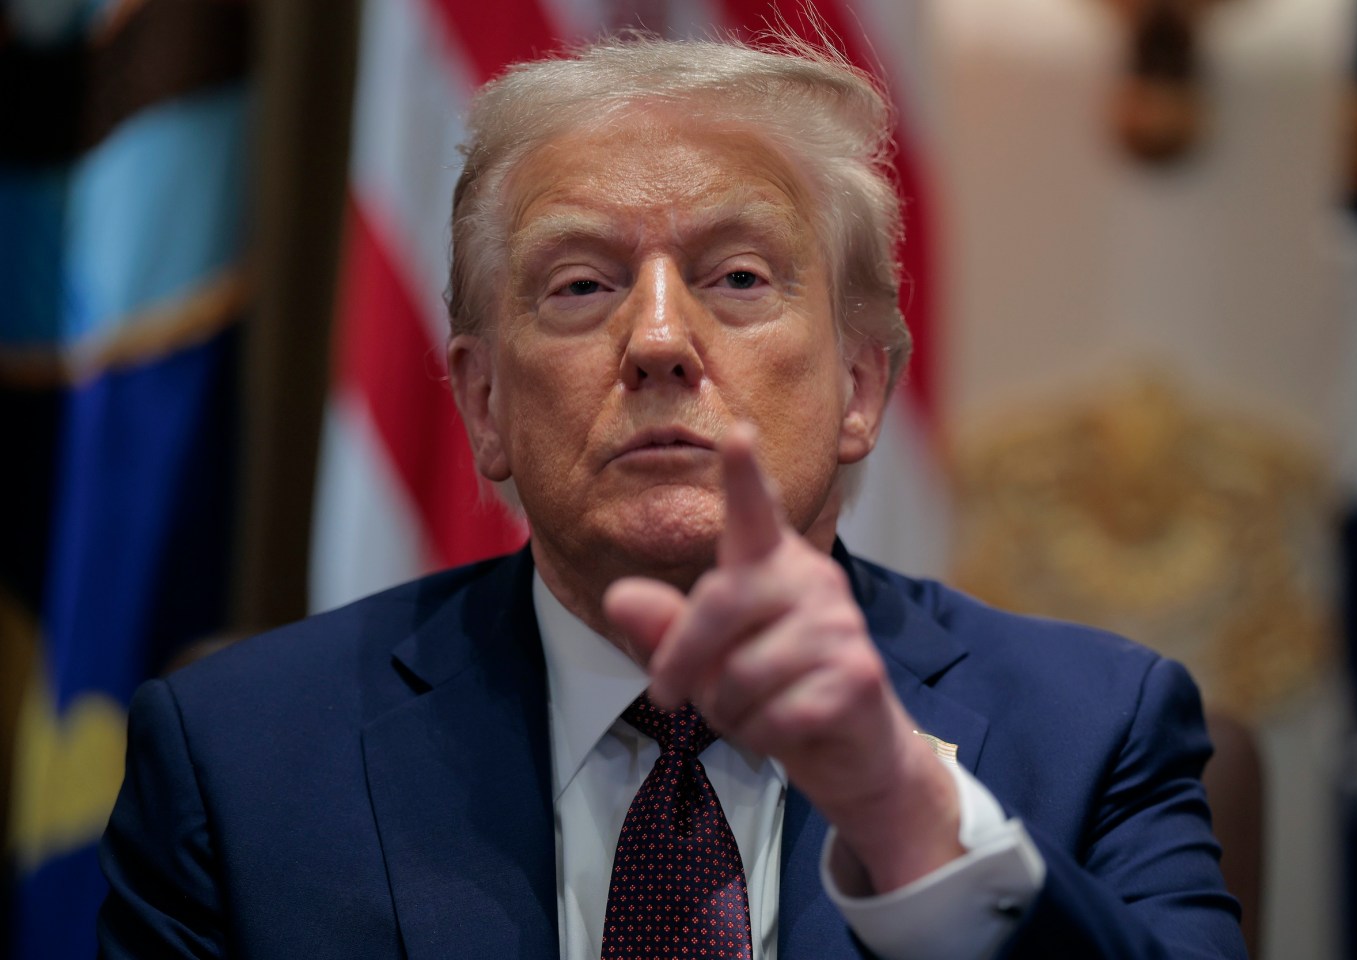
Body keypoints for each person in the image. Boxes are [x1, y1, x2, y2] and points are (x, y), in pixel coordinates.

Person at [97, 34, 1246, 960]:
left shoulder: (1096, 734)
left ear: (859, 387)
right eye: (580, 284)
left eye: (738, 277)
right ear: (484, 403)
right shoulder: (239, 762)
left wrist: (915, 826)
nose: (656, 339)